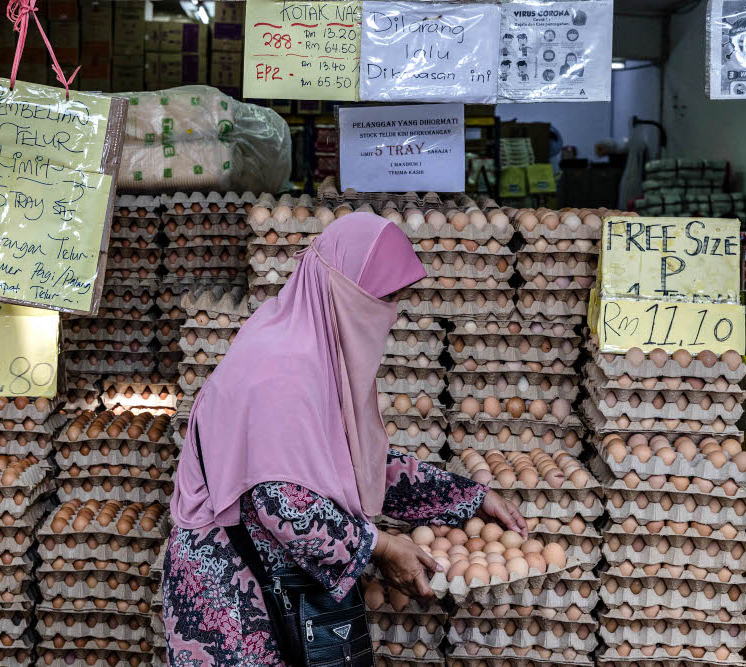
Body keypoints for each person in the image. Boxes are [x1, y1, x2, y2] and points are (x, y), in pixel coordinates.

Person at [163, 213, 527, 665]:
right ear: (346, 290)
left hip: (274, 577)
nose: (389, 314)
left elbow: (355, 464)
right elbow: (282, 502)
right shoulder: (282, 368)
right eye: (382, 298)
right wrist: (382, 546)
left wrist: (468, 499)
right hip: (234, 592)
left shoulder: (312, 346)